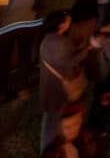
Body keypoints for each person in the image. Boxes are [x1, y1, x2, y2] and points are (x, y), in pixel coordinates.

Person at [39, 9, 92, 152]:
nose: (70, 22)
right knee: (58, 121)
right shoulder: (63, 42)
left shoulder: (46, 40)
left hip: (47, 87)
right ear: (61, 25)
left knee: (49, 120)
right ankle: (56, 149)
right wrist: (87, 48)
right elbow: (71, 62)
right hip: (60, 89)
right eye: (68, 20)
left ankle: (46, 149)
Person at [0, 0, 38, 99]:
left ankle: (2, 88)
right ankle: (23, 84)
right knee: (25, 55)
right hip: (28, 24)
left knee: (4, 58)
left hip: (8, 27)